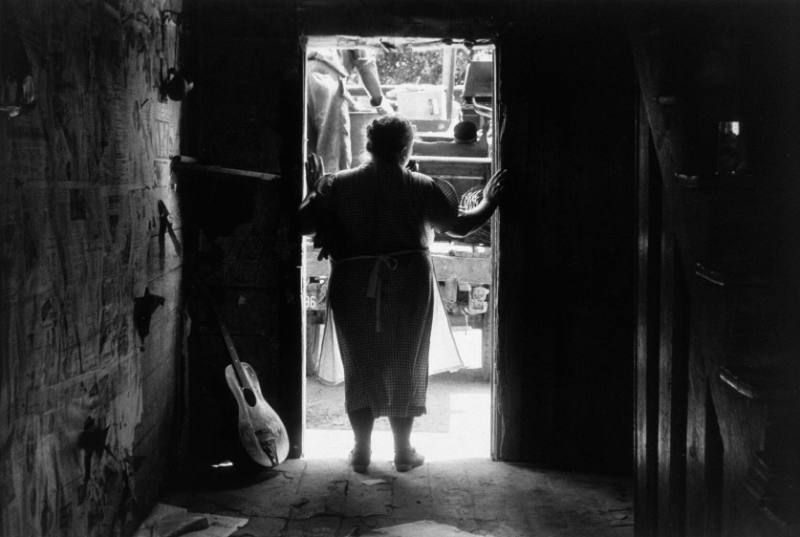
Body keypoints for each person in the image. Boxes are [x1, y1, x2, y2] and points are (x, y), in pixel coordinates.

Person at [299, 115, 508, 473]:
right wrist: (489, 200)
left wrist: (313, 188)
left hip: (353, 283)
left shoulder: (336, 185)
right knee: (404, 365)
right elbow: (458, 226)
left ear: (367, 147)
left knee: (360, 365)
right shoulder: (424, 186)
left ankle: (361, 451)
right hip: (408, 284)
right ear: (405, 149)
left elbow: (302, 224)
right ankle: (402, 451)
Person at [306, 48, 392, 174]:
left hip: (306, 74)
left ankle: (313, 190)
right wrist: (384, 107)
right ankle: (332, 191)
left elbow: (341, 89)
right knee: (333, 154)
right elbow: (366, 68)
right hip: (328, 80)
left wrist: (353, 104)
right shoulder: (360, 32)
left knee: (309, 153)